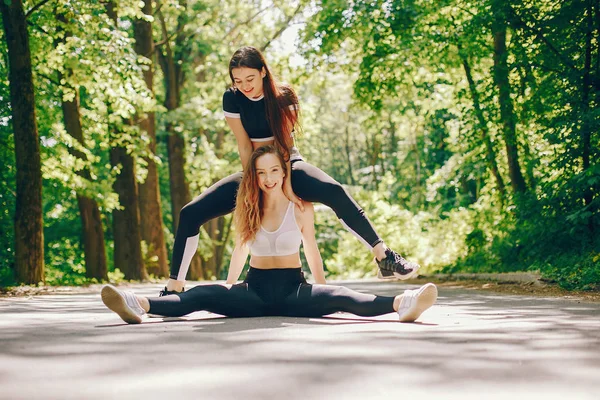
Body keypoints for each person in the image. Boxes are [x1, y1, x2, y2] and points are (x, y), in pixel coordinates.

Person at [162, 46, 419, 296]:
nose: (244, 85)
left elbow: (284, 145)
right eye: (238, 80)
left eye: (250, 78)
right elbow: (243, 144)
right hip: (255, 169)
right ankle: (175, 287)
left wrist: (284, 185)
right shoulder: (232, 98)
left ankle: (384, 257)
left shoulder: (284, 97)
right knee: (190, 213)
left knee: (334, 190)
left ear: (263, 71)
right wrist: (253, 182)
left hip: (287, 164)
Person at [101, 146, 437, 324]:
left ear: (284, 171)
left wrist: (321, 287)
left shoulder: (302, 207)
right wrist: (229, 284)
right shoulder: (246, 209)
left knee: (343, 296)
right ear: (255, 177)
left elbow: (312, 250)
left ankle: (403, 304)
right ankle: (137, 304)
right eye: (261, 172)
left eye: (274, 170)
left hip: (295, 291)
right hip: (254, 292)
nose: (268, 178)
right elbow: (239, 251)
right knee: (202, 295)